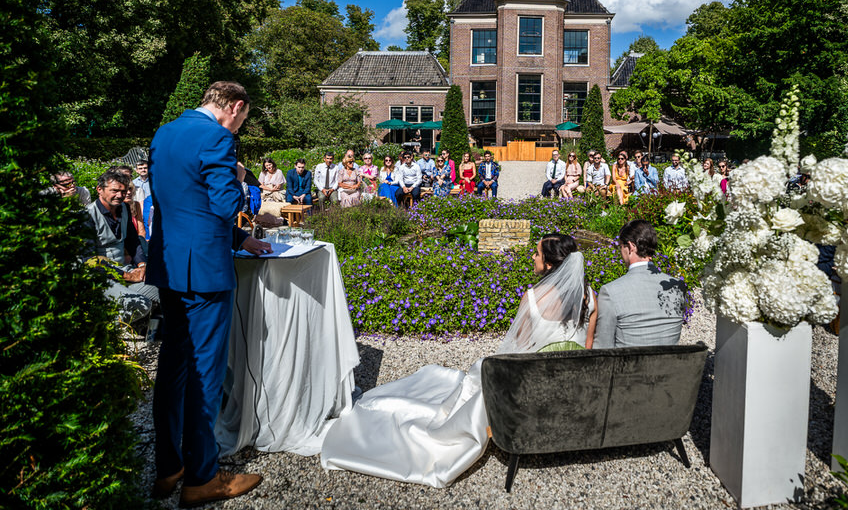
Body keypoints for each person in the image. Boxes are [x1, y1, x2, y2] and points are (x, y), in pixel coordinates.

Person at [320, 233, 595, 488]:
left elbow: (518, 350)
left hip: (530, 389)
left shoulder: (533, 298)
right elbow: (588, 348)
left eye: (536, 254)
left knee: (477, 376)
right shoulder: (591, 298)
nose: (532, 258)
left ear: (548, 265)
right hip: (571, 387)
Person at [147, 81, 270, 505]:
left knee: (173, 368)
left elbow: (181, 204)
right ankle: (202, 477)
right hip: (204, 274)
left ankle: (169, 468)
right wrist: (237, 179)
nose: (238, 129)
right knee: (206, 372)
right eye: (243, 120)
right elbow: (220, 205)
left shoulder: (164, 132)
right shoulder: (217, 137)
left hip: (169, 266)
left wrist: (238, 241)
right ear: (235, 106)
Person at [593, 220, 687, 348]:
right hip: (670, 366)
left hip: (629, 366)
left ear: (631, 247)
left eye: (620, 246)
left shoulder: (611, 291)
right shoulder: (678, 286)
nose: (620, 252)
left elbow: (602, 349)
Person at [85, 169, 158, 322]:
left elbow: (133, 240)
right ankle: (101, 325)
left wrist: (143, 265)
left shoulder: (124, 209)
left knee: (162, 287)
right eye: (114, 191)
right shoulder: (88, 216)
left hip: (123, 269)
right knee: (140, 304)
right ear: (99, 190)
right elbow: (90, 261)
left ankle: (143, 324)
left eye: (123, 191)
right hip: (102, 277)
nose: (120, 195)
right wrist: (126, 275)